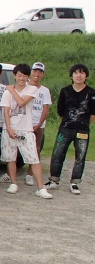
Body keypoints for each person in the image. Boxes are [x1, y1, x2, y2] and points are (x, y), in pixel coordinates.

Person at [0, 64, 52, 199]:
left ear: (28, 77)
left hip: (26, 128)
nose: (21, 78)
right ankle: (13, 183)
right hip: (10, 128)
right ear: (15, 76)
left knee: (33, 158)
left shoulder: (32, 89)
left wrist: (12, 90)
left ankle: (40, 188)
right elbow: (6, 111)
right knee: (10, 157)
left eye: (24, 76)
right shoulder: (7, 92)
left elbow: (22, 103)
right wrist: (9, 128)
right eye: (19, 75)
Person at [46, 63, 95, 195]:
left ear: (86, 76)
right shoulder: (65, 91)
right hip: (66, 128)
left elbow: (93, 113)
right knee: (58, 153)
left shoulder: (91, 92)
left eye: (82, 73)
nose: (79, 75)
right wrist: (68, 122)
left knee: (81, 156)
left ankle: (75, 182)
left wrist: (85, 125)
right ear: (71, 76)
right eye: (76, 73)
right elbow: (60, 110)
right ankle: (54, 180)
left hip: (83, 130)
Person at [25, 62, 52, 186]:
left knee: (35, 149)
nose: (37, 74)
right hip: (23, 123)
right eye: (35, 71)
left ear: (43, 74)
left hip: (37, 124)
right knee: (16, 149)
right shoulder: (23, 86)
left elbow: (45, 109)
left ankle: (30, 175)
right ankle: (10, 174)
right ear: (31, 72)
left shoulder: (45, 90)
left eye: (39, 72)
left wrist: (39, 124)